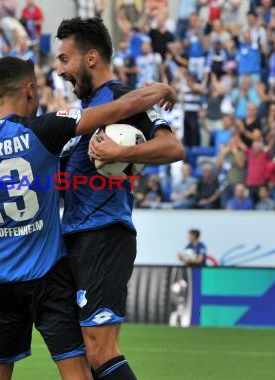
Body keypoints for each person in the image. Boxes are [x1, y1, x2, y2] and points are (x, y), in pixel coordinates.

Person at [0, 57, 176, 380]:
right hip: (46, 276)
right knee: (77, 373)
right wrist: (161, 88)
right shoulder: (45, 130)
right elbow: (120, 108)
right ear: (30, 89)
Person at [55, 17, 185, 380]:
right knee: (79, 354)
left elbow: (173, 147)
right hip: (74, 237)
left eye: (65, 59)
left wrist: (116, 152)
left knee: (99, 348)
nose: (60, 69)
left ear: (91, 57)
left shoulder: (125, 98)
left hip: (105, 232)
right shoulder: (83, 113)